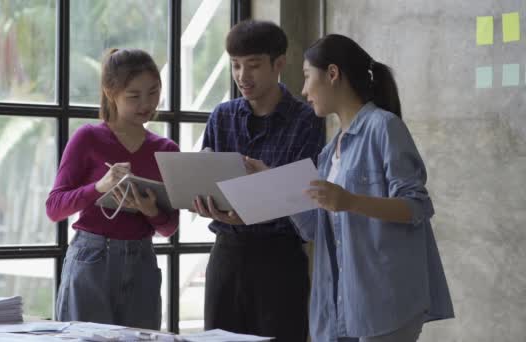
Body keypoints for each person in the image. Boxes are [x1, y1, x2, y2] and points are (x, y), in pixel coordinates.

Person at [248, 33, 455, 341]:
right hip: (341, 304)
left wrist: (350, 201)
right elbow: (316, 229)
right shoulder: (330, 151)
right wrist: (273, 183)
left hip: (386, 302)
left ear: (332, 74)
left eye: (307, 77)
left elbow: (417, 206)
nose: (304, 90)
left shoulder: (384, 127)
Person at [192, 20, 326, 342]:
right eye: (236, 66)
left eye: (253, 66)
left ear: (279, 64)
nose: (242, 76)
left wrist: (257, 208)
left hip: (279, 260)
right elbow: (204, 177)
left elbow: (304, 199)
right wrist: (203, 202)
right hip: (226, 253)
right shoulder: (221, 116)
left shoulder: (306, 120)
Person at [46, 48, 179, 329]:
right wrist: (99, 187)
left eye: (154, 92)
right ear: (110, 91)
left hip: (142, 261)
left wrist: (151, 210)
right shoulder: (88, 138)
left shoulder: (167, 150)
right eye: (134, 96)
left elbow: (169, 228)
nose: (147, 103)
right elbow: (55, 208)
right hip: (91, 259)